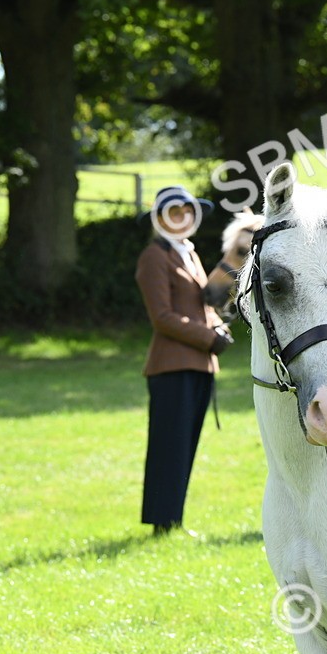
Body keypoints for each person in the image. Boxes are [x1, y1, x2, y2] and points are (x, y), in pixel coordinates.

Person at [134, 186, 234, 537]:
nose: (182, 218)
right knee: (168, 447)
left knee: (185, 446)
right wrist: (209, 338)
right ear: (159, 219)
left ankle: (173, 521)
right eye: (173, 213)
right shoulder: (154, 256)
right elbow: (162, 316)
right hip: (171, 366)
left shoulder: (188, 252)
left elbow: (202, 307)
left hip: (199, 365)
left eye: (186, 211)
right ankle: (162, 523)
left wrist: (219, 327)